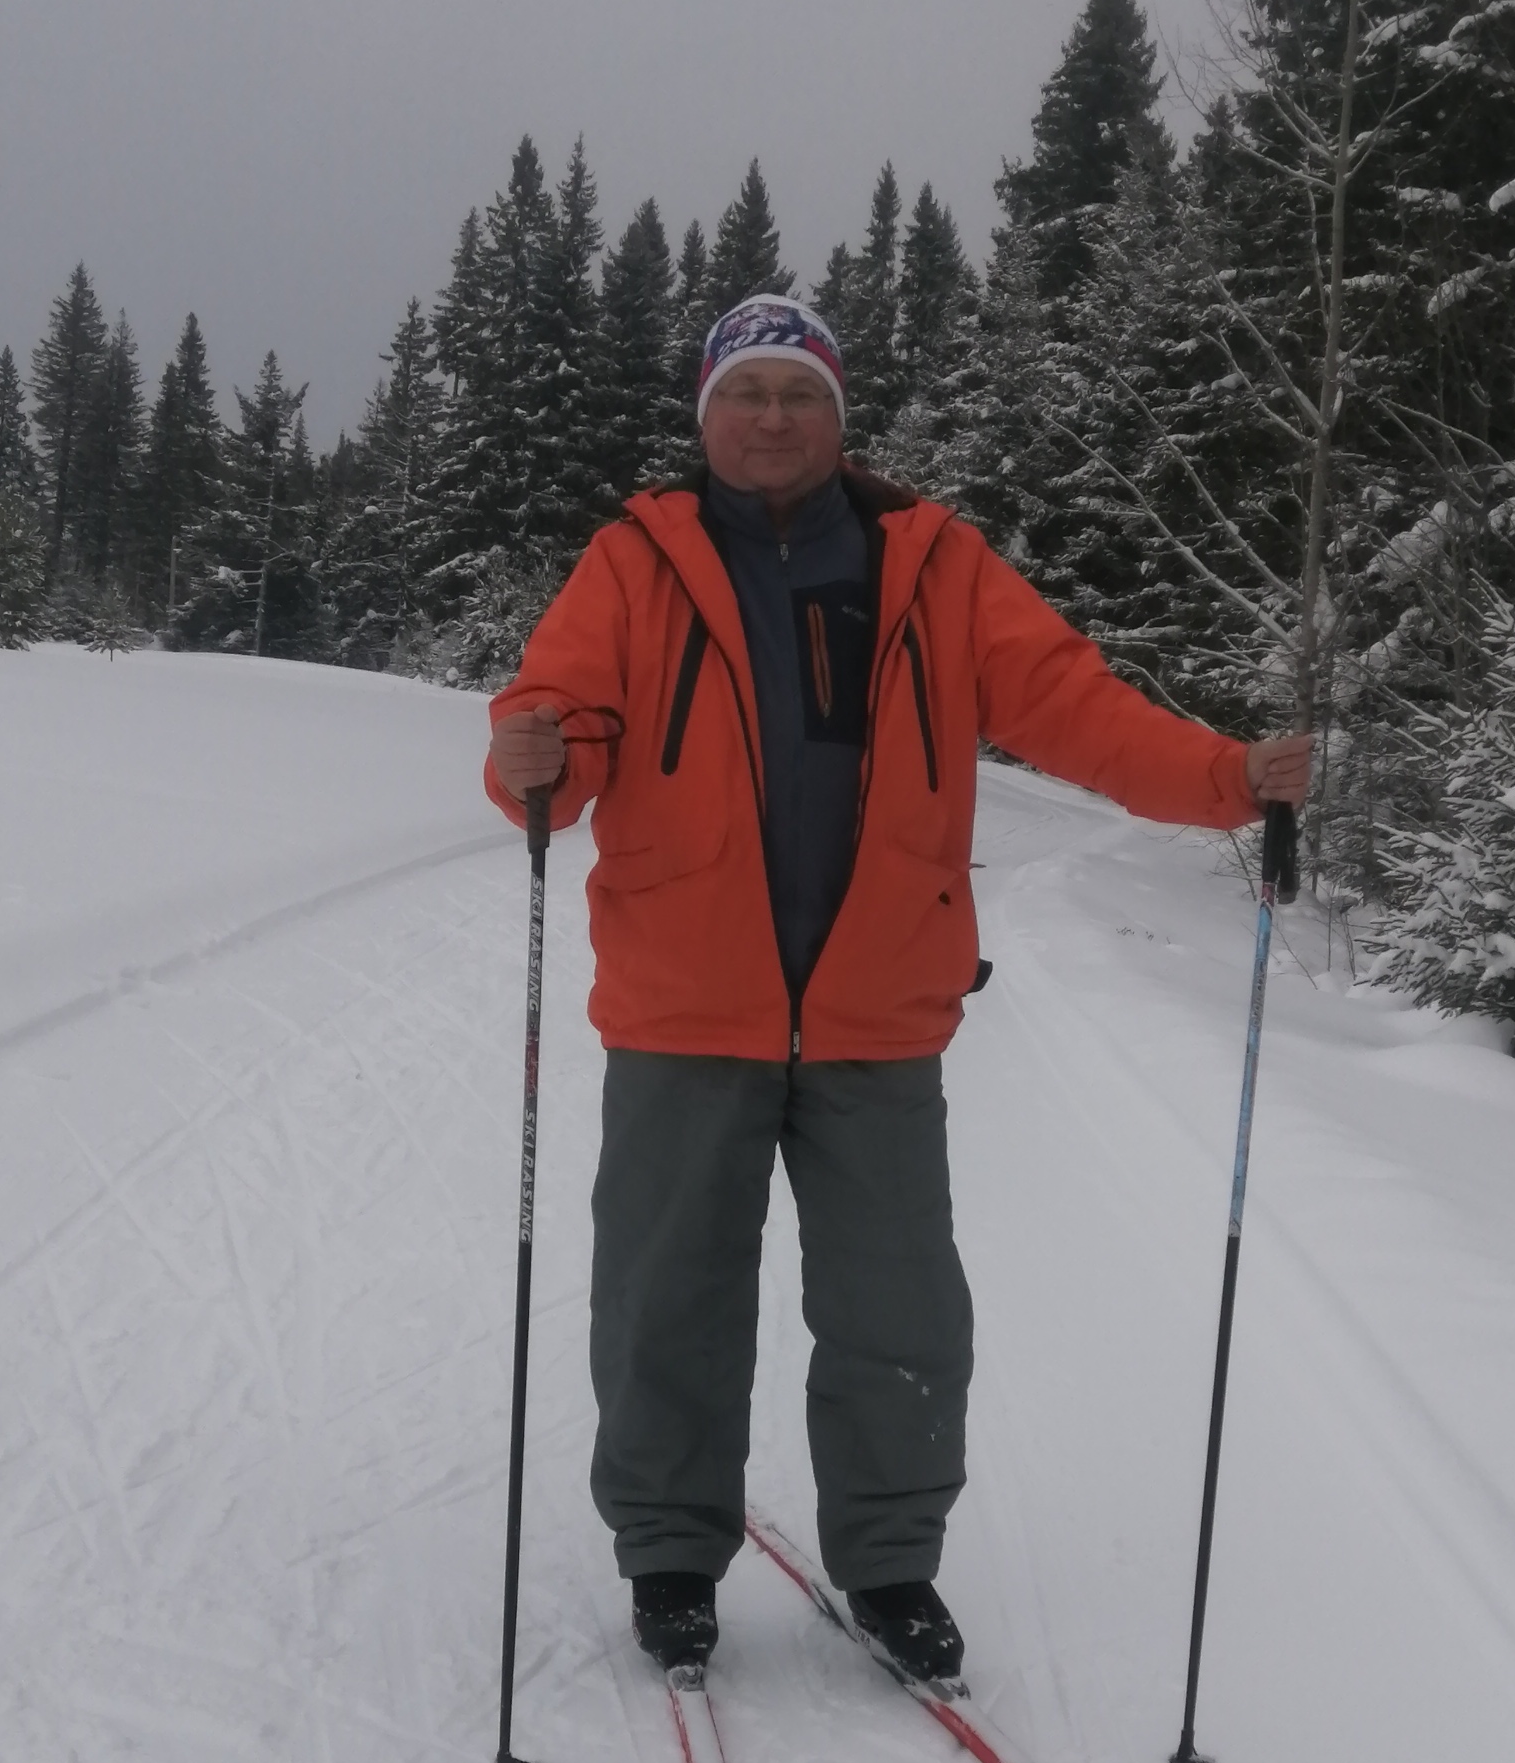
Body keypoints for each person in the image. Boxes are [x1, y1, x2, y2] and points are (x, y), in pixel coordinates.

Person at [486, 291, 1311, 1681]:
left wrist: (1225, 778)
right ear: (708, 414)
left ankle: (890, 1563)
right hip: (686, 1006)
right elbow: (565, 724)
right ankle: (670, 1554)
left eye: (798, 393)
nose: (771, 418)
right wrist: (534, 757)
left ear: (837, 416)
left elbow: (1076, 709)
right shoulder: (635, 560)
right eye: (746, 394)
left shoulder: (937, 565)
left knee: (902, 1312)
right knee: (665, 1298)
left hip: (877, 1010)